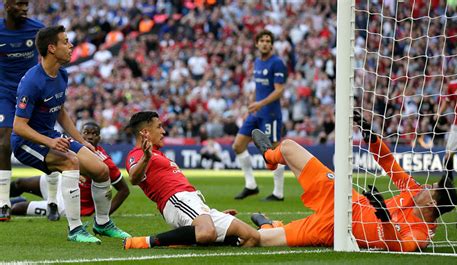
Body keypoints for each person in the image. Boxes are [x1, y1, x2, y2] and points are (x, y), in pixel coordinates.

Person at [248, 111, 457, 252]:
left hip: (334, 230)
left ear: (432, 203)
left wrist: (384, 217)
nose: (427, 185)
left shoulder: (422, 233)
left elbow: (400, 246)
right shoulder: (413, 190)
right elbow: (389, 164)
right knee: (287, 147)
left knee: (259, 239)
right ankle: (269, 158)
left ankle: (269, 225)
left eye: (432, 188)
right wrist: (373, 139)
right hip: (344, 199)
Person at [11, 25, 130, 243]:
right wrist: (51, 142)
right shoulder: (31, 81)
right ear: (52, 48)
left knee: (101, 169)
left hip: (50, 137)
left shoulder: (62, 74)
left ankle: (102, 224)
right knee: (70, 162)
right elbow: (19, 127)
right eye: (66, 41)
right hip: (27, 142)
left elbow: (61, 111)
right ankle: (75, 229)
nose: (71, 45)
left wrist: (82, 140)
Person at [123, 111, 259, 249]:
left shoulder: (158, 154)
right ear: (145, 132)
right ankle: (146, 241)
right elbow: (134, 178)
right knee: (207, 232)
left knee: (253, 237)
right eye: (159, 127)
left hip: (194, 203)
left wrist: (204, 214)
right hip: (176, 199)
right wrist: (146, 157)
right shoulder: (137, 154)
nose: (163, 131)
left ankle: (186, 239)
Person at [10, 121, 130, 218]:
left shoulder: (104, 162)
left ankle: (14, 204)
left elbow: (124, 190)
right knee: (20, 183)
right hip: (60, 183)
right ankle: (3, 200)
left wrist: (103, 214)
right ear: (80, 134)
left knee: (18, 208)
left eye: (94, 134)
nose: (90, 137)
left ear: (99, 137)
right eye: (86, 132)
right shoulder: (72, 147)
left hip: (68, 204)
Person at [0, 0, 44, 221]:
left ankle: (54, 200)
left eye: (27, 4)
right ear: (7, 6)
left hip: (30, 93)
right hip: (4, 94)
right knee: (4, 143)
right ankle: (3, 204)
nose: (25, 9)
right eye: (19, 4)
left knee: (49, 141)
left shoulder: (37, 29)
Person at [233, 29, 288, 201]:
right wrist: (252, 99)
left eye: (268, 40)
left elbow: (279, 91)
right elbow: (259, 87)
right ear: (257, 44)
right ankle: (251, 185)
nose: (265, 43)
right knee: (238, 145)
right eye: (262, 40)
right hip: (256, 112)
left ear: (271, 44)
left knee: (273, 152)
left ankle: (278, 193)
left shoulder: (277, 63)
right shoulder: (257, 62)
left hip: (270, 114)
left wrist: (260, 103)